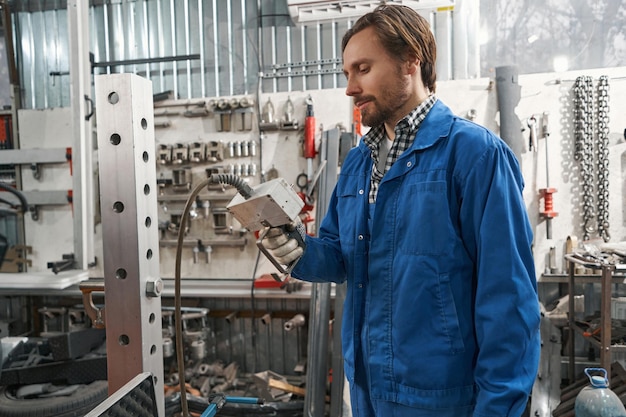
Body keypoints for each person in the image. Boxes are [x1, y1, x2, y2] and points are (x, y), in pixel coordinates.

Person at [262, 4, 541, 417]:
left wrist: (498, 409)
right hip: (368, 393)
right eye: (347, 74)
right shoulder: (358, 163)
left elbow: (509, 303)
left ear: (410, 61)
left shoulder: (475, 157)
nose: (350, 88)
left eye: (362, 68)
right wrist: (298, 251)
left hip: (445, 402)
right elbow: (341, 256)